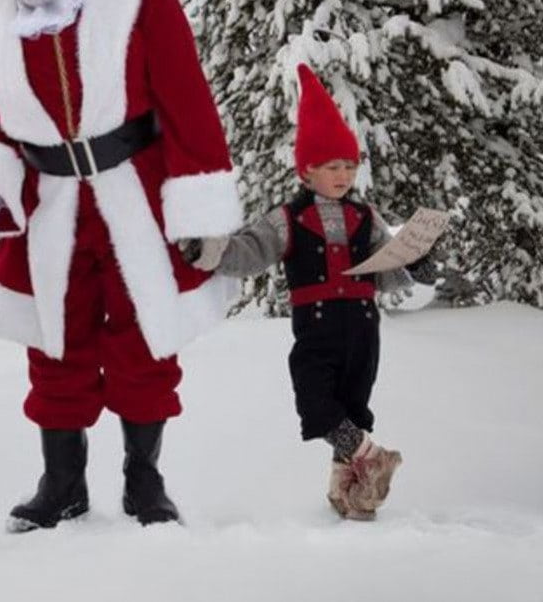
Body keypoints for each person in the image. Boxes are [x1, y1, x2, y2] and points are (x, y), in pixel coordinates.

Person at [0, 0, 243, 530]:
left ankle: (144, 482)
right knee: (55, 344)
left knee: (143, 340)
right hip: (51, 205)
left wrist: (201, 209)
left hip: (133, 191)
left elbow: (189, 103)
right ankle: (63, 483)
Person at [182, 63, 435, 519]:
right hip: (316, 331)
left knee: (353, 408)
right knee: (316, 405)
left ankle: (352, 496)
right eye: (331, 166)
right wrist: (210, 250)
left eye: (349, 166)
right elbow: (251, 251)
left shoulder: (366, 217)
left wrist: (414, 259)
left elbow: (387, 270)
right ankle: (373, 459)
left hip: (362, 327)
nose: (342, 175)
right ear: (307, 170)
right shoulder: (288, 218)